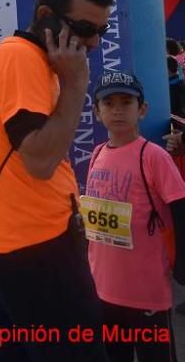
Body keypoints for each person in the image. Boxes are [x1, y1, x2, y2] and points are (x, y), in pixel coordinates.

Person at [0, 0, 114, 360]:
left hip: (5, 240)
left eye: (102, 30)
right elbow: (40, 160)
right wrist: (77, 84)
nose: (94, 41)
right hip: (36, 247)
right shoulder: (22, 59)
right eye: (84, 28)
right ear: (46, 14)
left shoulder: (20, 59)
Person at [84, 71, 185, 362]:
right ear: (97, 112)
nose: (117, 110)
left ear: (142, 110)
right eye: (109, 103)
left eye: (126, 102)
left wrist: (182, 264)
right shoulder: (97, 154)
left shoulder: (153, 157)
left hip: (146, 291)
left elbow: (180, 207)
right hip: (104, 288)